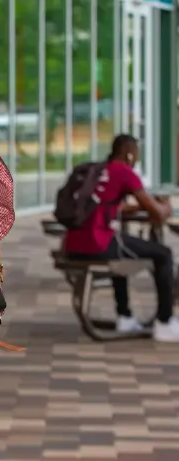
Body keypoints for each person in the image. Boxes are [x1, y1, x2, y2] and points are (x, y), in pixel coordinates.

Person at [64, 134, 179, 341]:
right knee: (164, 254)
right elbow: (158, 213)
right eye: (136, 155)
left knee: (123, 247)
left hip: (73, 244)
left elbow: (109, 205)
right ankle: (165, 321)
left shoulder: (99, 170)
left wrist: (138, 206)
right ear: (129, 154)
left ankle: (125, 317)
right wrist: (166, 206)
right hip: (97, 244)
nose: (136, 159)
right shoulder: (125, 172)